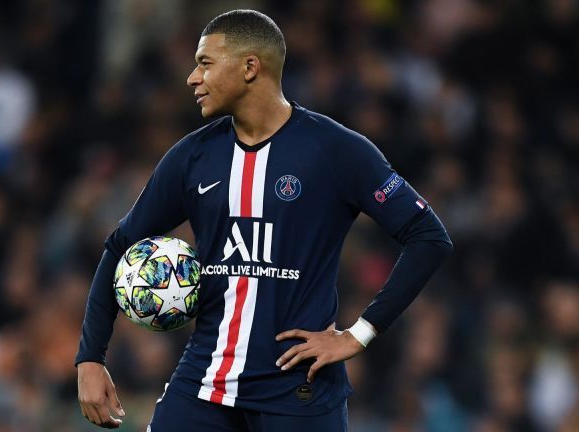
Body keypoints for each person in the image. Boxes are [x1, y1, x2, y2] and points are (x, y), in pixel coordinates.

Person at [76, 9, 453, 431]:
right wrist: (91, 357)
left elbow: (428, 237)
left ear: (250, 67)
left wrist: (359, 333)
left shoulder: (336, 150)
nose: (192, 78)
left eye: (205, 63)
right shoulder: (192, 157)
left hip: (299, 393)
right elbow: (120, 245)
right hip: (205, 384)